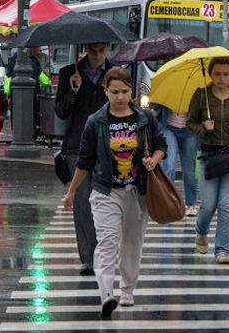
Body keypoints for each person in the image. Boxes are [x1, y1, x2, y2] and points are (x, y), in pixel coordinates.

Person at [62, 67, 167, 318]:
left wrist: (154, 159)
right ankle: (106, 294)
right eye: (114, 92)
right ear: (106, 91)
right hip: (106, 190)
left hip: (137, 190)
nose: (120, 97)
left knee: (132, 242)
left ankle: (127, 290)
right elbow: (85, 161)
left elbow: (161, 144)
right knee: (107, 243)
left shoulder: (145, 117)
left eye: (125, 91)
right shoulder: (96, 121)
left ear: (132, 90)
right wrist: (72, 191)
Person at [55, 42, 112, 276]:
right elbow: (60, 111)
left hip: (107, 146)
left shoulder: (114, 73)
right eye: (93, 51)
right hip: (77, 146)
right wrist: (73, 91)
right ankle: (89, 258)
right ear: (86, 50)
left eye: (102, 51)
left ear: (108, 49)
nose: (97, 56)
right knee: (82, 203)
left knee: (106, 203)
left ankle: (105, 253)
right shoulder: (70, 73)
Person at [186, 56, 229, 265]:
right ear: (211, 75)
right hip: (207, 155)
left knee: (226, 204)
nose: (221, 78)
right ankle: (201, 230)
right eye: (217, 74)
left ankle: (222, 249)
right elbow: (190, 123)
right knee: (207, 205)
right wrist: (203, 128)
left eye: (225, 74)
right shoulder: (201, 95)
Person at [154, 103, 200, 216]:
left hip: (190, 131)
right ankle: (169, 203)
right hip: (168, 128)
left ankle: (190, 203)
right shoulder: (168, 88)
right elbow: (155, 104)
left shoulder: (196, 90)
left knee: (190, 169)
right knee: (168, 165)